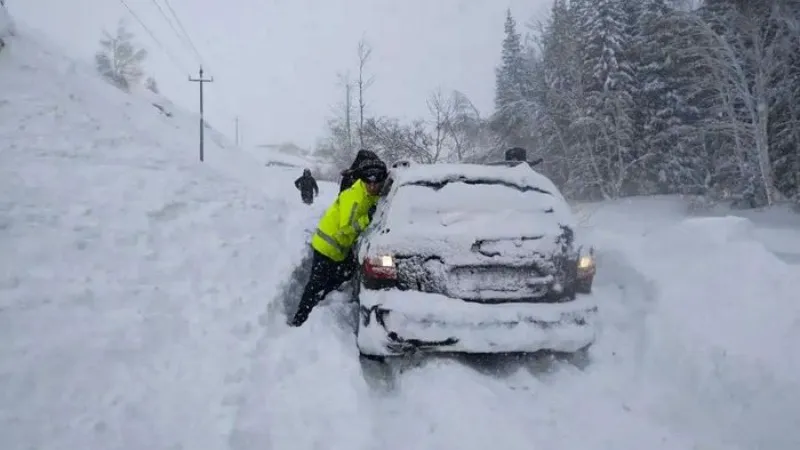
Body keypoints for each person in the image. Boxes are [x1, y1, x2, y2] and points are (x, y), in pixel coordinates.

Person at [289, 157, 389, 327]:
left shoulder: (371, 194)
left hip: (338, 246)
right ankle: (300, 319)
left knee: (342, 274)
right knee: (316, 283)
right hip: (328, 244)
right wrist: (367, 218)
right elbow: (345, 229)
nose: (372, 186)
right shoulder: (355, 198)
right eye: (368, 182)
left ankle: (322, 300)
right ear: (362, 180)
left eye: (377, 182)